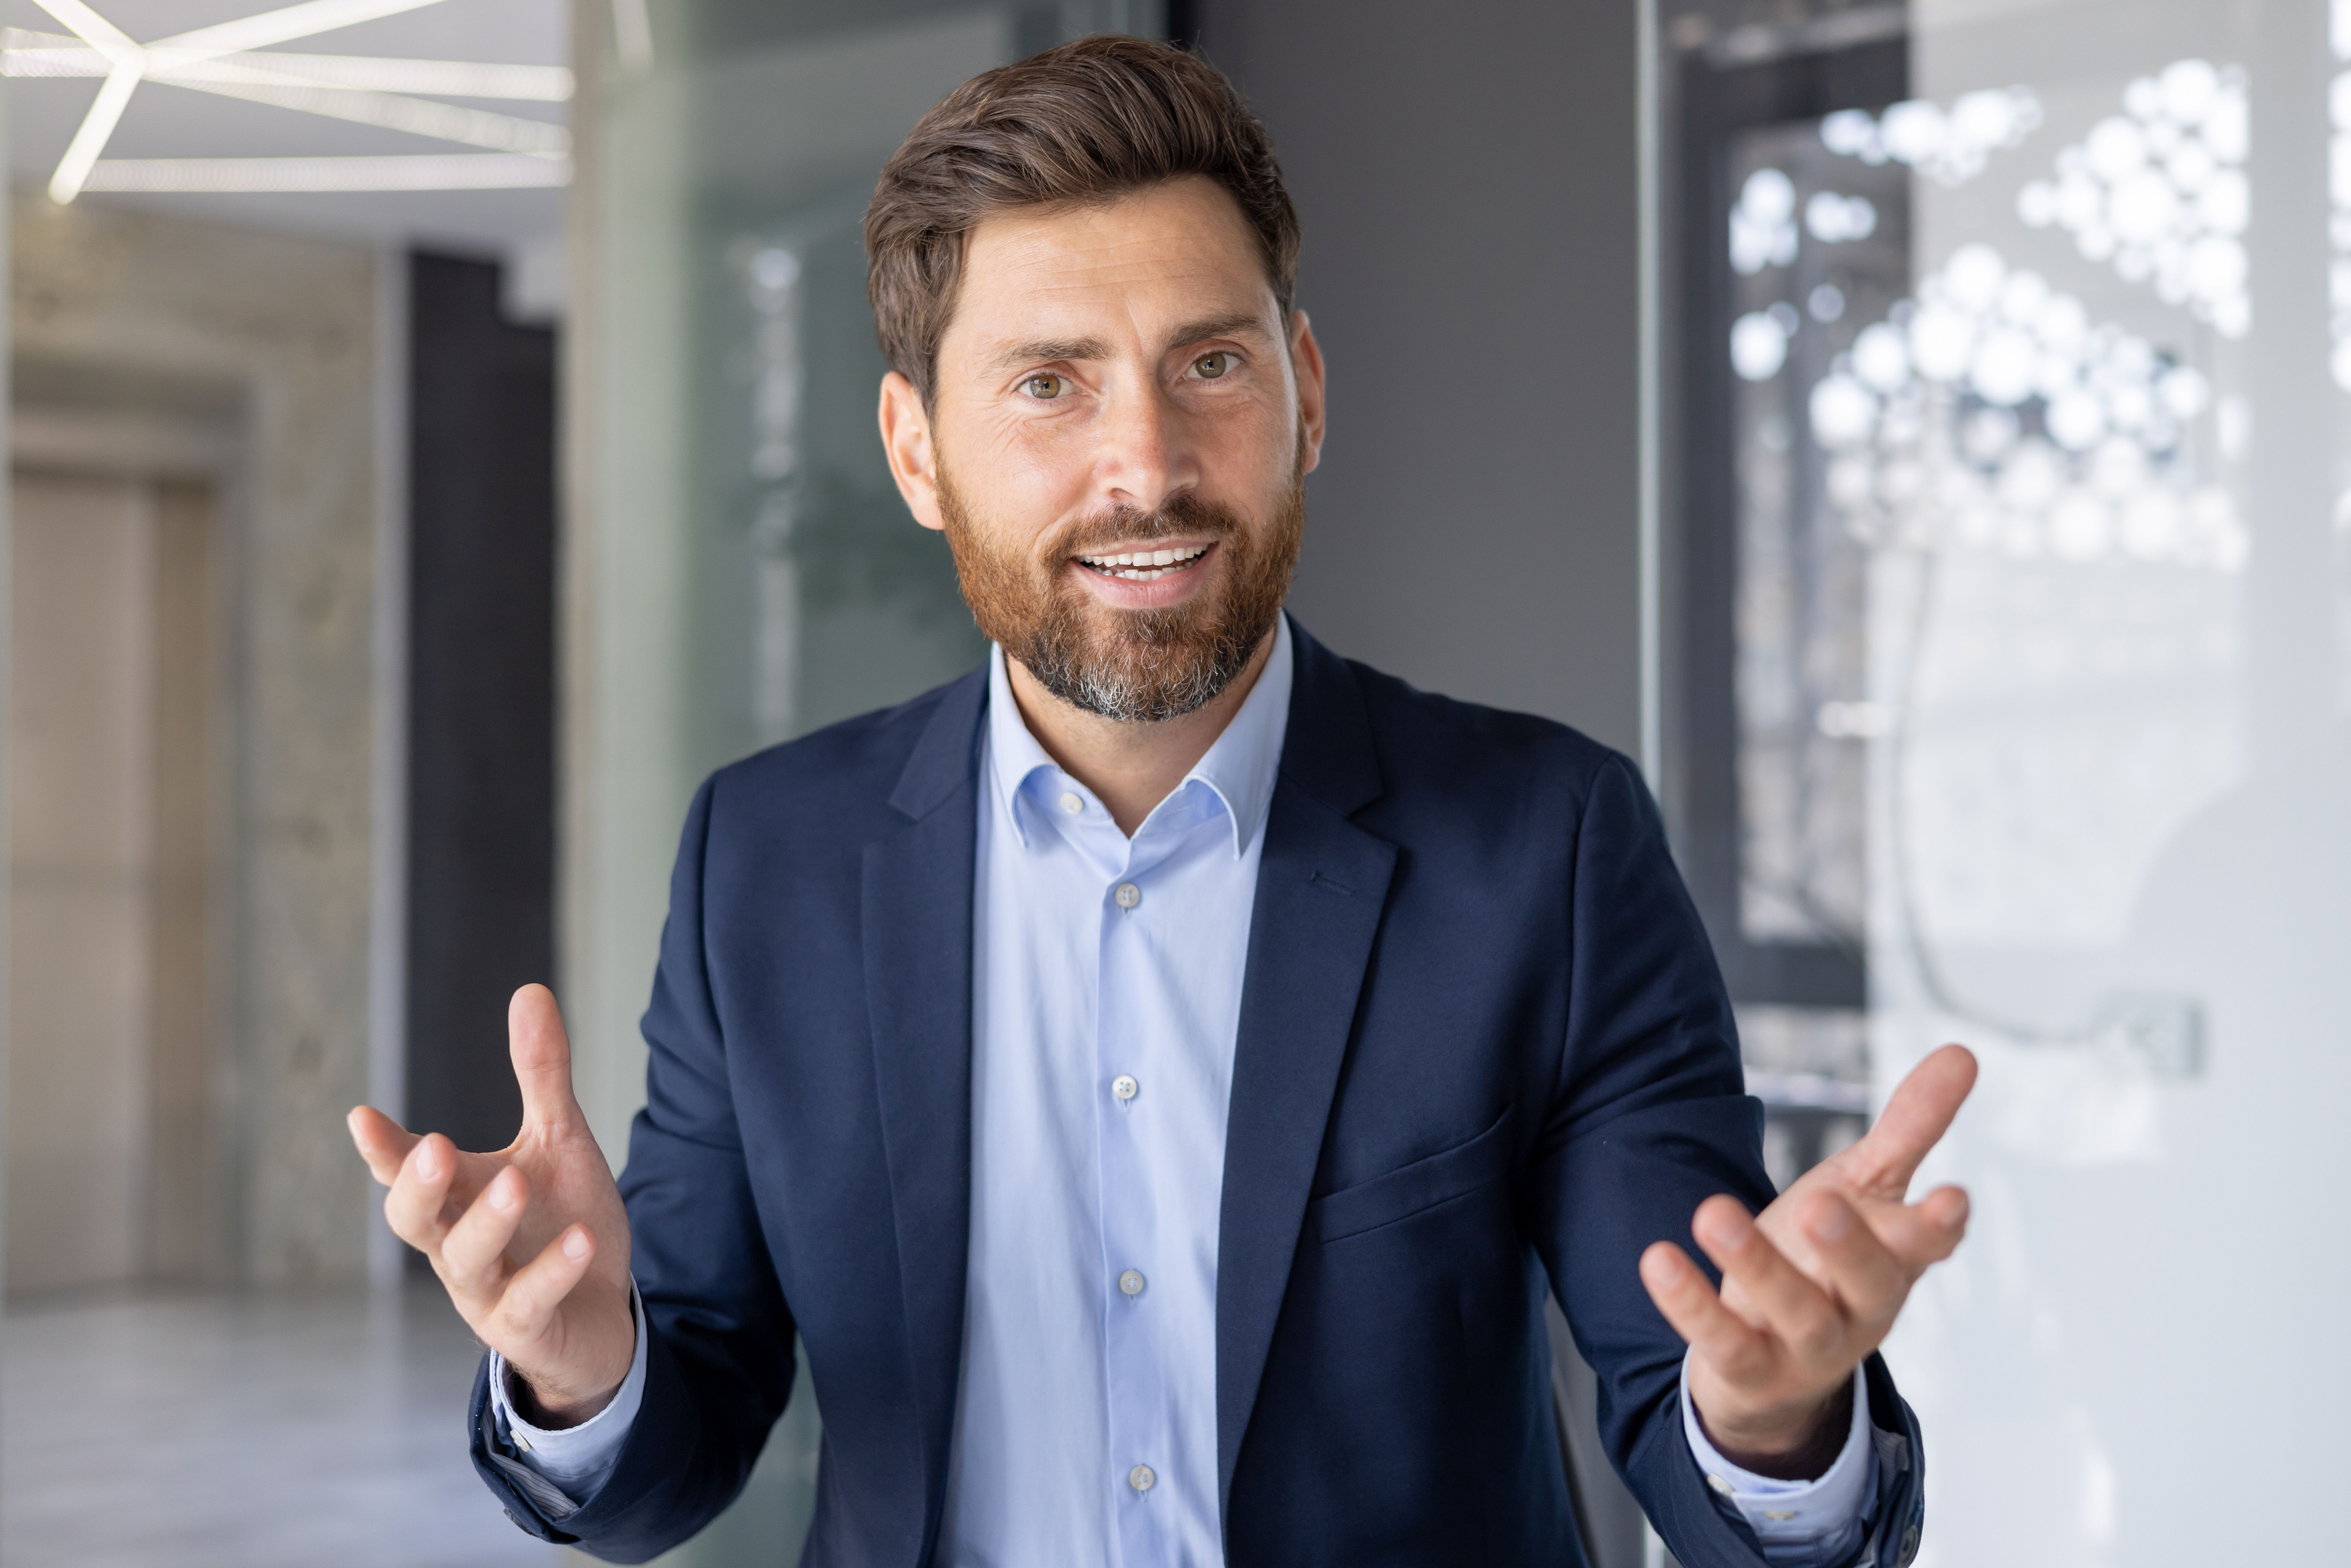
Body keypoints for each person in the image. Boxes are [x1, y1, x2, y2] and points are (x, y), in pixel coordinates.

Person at [347, 35, 1974, 1568]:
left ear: (1308, 389)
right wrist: (581, 1371)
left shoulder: (1543, 846)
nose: (1148, 462)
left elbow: (1694, 1389)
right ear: (916, 454)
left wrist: (1772, 1420)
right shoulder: (765, 861)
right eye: (1048, 385)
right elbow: (671, 1449)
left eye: (1209, 362)